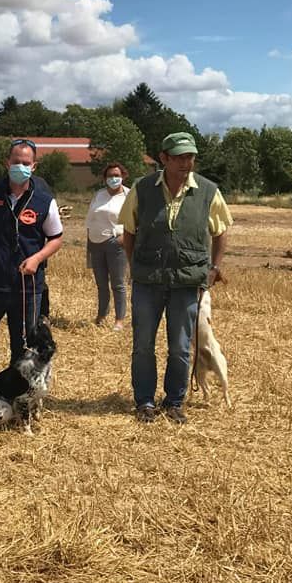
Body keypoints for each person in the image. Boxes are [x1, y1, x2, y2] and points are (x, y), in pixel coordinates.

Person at [119, 132, 233, 424]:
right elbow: (129, 232)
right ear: (164, 158)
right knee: (143, 344)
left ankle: (174, 402)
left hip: (187, 282)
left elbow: (221, 232)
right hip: (148, 281)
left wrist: (215, 268)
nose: (187, 162)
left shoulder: (208, 191)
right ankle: (144, 401)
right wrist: (135, 266)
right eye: (180, 157)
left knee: (181, 347)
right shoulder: (142, 189)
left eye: (191, 156)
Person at [0, 139, 64, 406]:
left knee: (23, 351)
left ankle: (16, 401)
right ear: (7, 163)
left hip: (27, 288)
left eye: (26, 163)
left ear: (34, 166)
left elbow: (56, 238)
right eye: (16, 161)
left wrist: (37, 258)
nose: (20, 167)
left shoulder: (44, 201)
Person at [86, 162, 131, 330]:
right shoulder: (99, 194)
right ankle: (101, 316)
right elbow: (91, 217)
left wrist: (124, 237)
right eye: (110, 176)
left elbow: (137, 218)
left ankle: (119, 319)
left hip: (116, 242)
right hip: (96, 241)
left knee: (118, 284)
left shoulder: (129, 195)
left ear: (123, 176)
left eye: (117, 175)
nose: (113, 178)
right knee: (101, 284)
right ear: (105, 179)